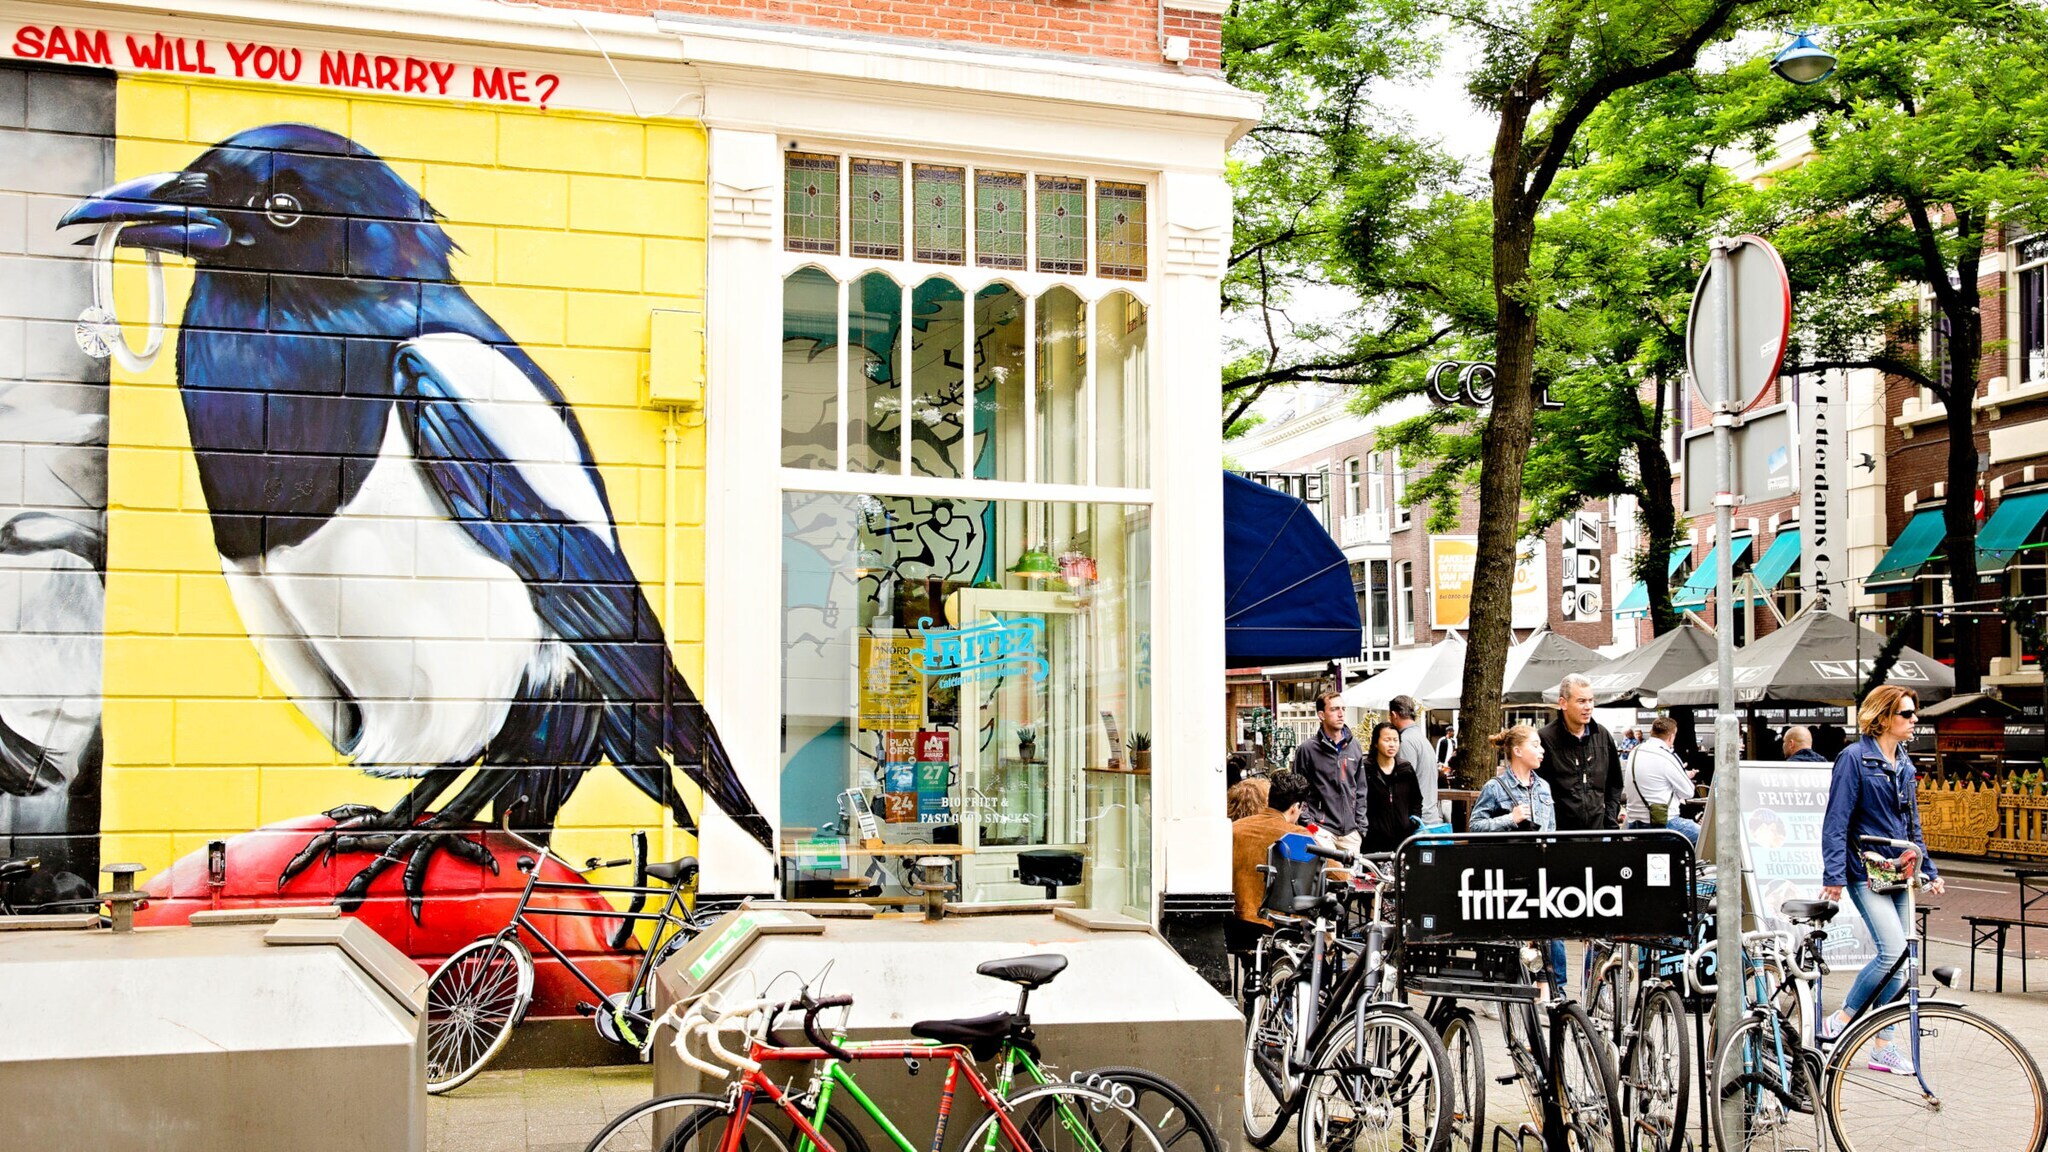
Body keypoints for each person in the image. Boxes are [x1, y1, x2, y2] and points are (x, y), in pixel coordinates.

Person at [1819, 686, 1945, 1076]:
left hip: (1900, 871)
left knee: (1906, 959)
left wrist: (1929, 869)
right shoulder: (1855, 759)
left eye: (1914, 714)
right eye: (1907, 714)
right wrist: (1834, 874)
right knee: (1891, 952)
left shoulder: (1904, 763)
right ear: (1884, 717)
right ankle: (1839, 1023)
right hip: (1865, 870)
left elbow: (1911, 824)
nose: (1914, 720)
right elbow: (1836, 820)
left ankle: (1882, 1045)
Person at [1471, 725, 1567, 994]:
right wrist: (1509, 820)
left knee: (1552, 927)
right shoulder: (1495, 787)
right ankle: (1497, 988)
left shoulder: (1544, 787)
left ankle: (1552, 990)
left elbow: (1552, 830)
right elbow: (1475, 826)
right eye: (1535, 745)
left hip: (1541, 869)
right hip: (1508, 872)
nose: (1542, 750)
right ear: (1517, 750)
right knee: (1508, 933)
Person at [1229, 771, 1312, 955]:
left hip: (1235, 924)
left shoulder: (1235, 829)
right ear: (1295, 807)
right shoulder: (1298, 836)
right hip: (1278, 927)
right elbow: (1337, 874)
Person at [1538, 673, 1625, 830]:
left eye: (1591, 700)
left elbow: (1615, 783)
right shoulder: (1545, 738)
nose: (1588, 707)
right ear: (1563, 703)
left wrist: (1610, 819)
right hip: (1559, 837)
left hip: (1599, 833)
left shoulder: (1602, 735)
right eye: (1581, 701)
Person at [1291, 690, 1367, 854]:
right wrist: (1310, 826)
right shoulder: (1307, 750)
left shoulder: (1355, 747)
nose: (1341, 714)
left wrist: (1360, 827)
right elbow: (1297, 792)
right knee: (1326, 877)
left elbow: (1361, 789)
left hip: (1351, 833)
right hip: (1321, 830)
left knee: (1350, 879)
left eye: (1343, 709)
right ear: (1321, 715)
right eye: (1334, 709)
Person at [1623, 717, 1700, 843]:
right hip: (1663, 824)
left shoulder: (1635, 752)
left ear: (1652, 732)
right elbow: (1688, 792)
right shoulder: (1666, 756)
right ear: (1671, 737)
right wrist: (1684, 776)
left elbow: (1651, 777)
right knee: (1706, 837)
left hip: (1633, 824)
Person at [1362, 722, 1425, 852]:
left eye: (1396, 740)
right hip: (1373, 841)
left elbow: (1416, 800)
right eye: (1387, 740)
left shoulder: (1405, 769)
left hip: (1403, 841)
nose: (1392, 744)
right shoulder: (1365, 769)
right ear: (1375, 743)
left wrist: (1412, 822)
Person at [1388, 694, 1441, 823]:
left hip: (1417, 820)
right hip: (1429, 814)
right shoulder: (1421, 738)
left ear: (1394, 715)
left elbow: (1404, 783)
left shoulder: (1405, 740)